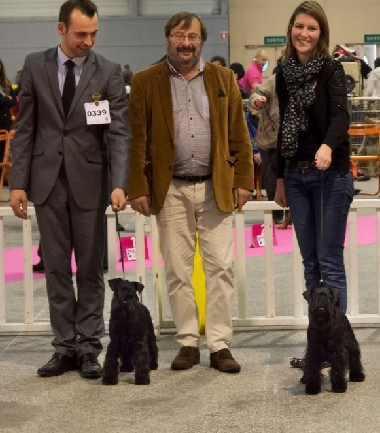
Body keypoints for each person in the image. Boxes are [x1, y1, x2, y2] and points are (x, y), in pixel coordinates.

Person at [9, 0, 130, 380]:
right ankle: (63, 347)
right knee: (57, 269)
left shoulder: (108, 71)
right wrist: (17, 183)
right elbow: (25, 128)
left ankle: (90, 346)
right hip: (46, 184)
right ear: (60, 29)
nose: (88, 41)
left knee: (91, 269)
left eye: (94, 33)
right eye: (81, 34)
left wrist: (119, 182)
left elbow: (119, 133)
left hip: (91, 185)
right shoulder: (34, 65)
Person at [128, 11, 253, 374]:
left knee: (221, 269)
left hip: (216, 187)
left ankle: (219, 344)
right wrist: (139, 186)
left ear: (202, 40)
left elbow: (238, 135)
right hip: (171, 190)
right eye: (180, 36)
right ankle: (186, 341)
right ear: (167, 38)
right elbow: (138, 140)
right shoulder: (144, 80)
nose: (186, 43)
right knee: (178, 271)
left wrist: (244, 179)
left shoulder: (224, 78)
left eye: (193, 37)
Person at [273, 1, 354, 368]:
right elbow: (280, 127)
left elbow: (341, 116)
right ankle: (315, 348)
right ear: (291, 28)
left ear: (321, 34)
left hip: (330, 173)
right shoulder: (283, 71)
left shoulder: (332, 69)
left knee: (329, 262)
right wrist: (278, 177)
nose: (304, 34)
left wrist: (326, 146)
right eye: (299, 27)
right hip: (296, 173)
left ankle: (336, 347)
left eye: (312, 28)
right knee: (310, 264)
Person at [250, 72, 284, 224]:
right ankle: (276, 215)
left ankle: (292, 215)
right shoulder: (274, 80)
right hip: (270, 140)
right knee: (271, 181)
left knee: (293, 180)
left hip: (293, 140)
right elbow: (256, 92)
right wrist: (257, 100)